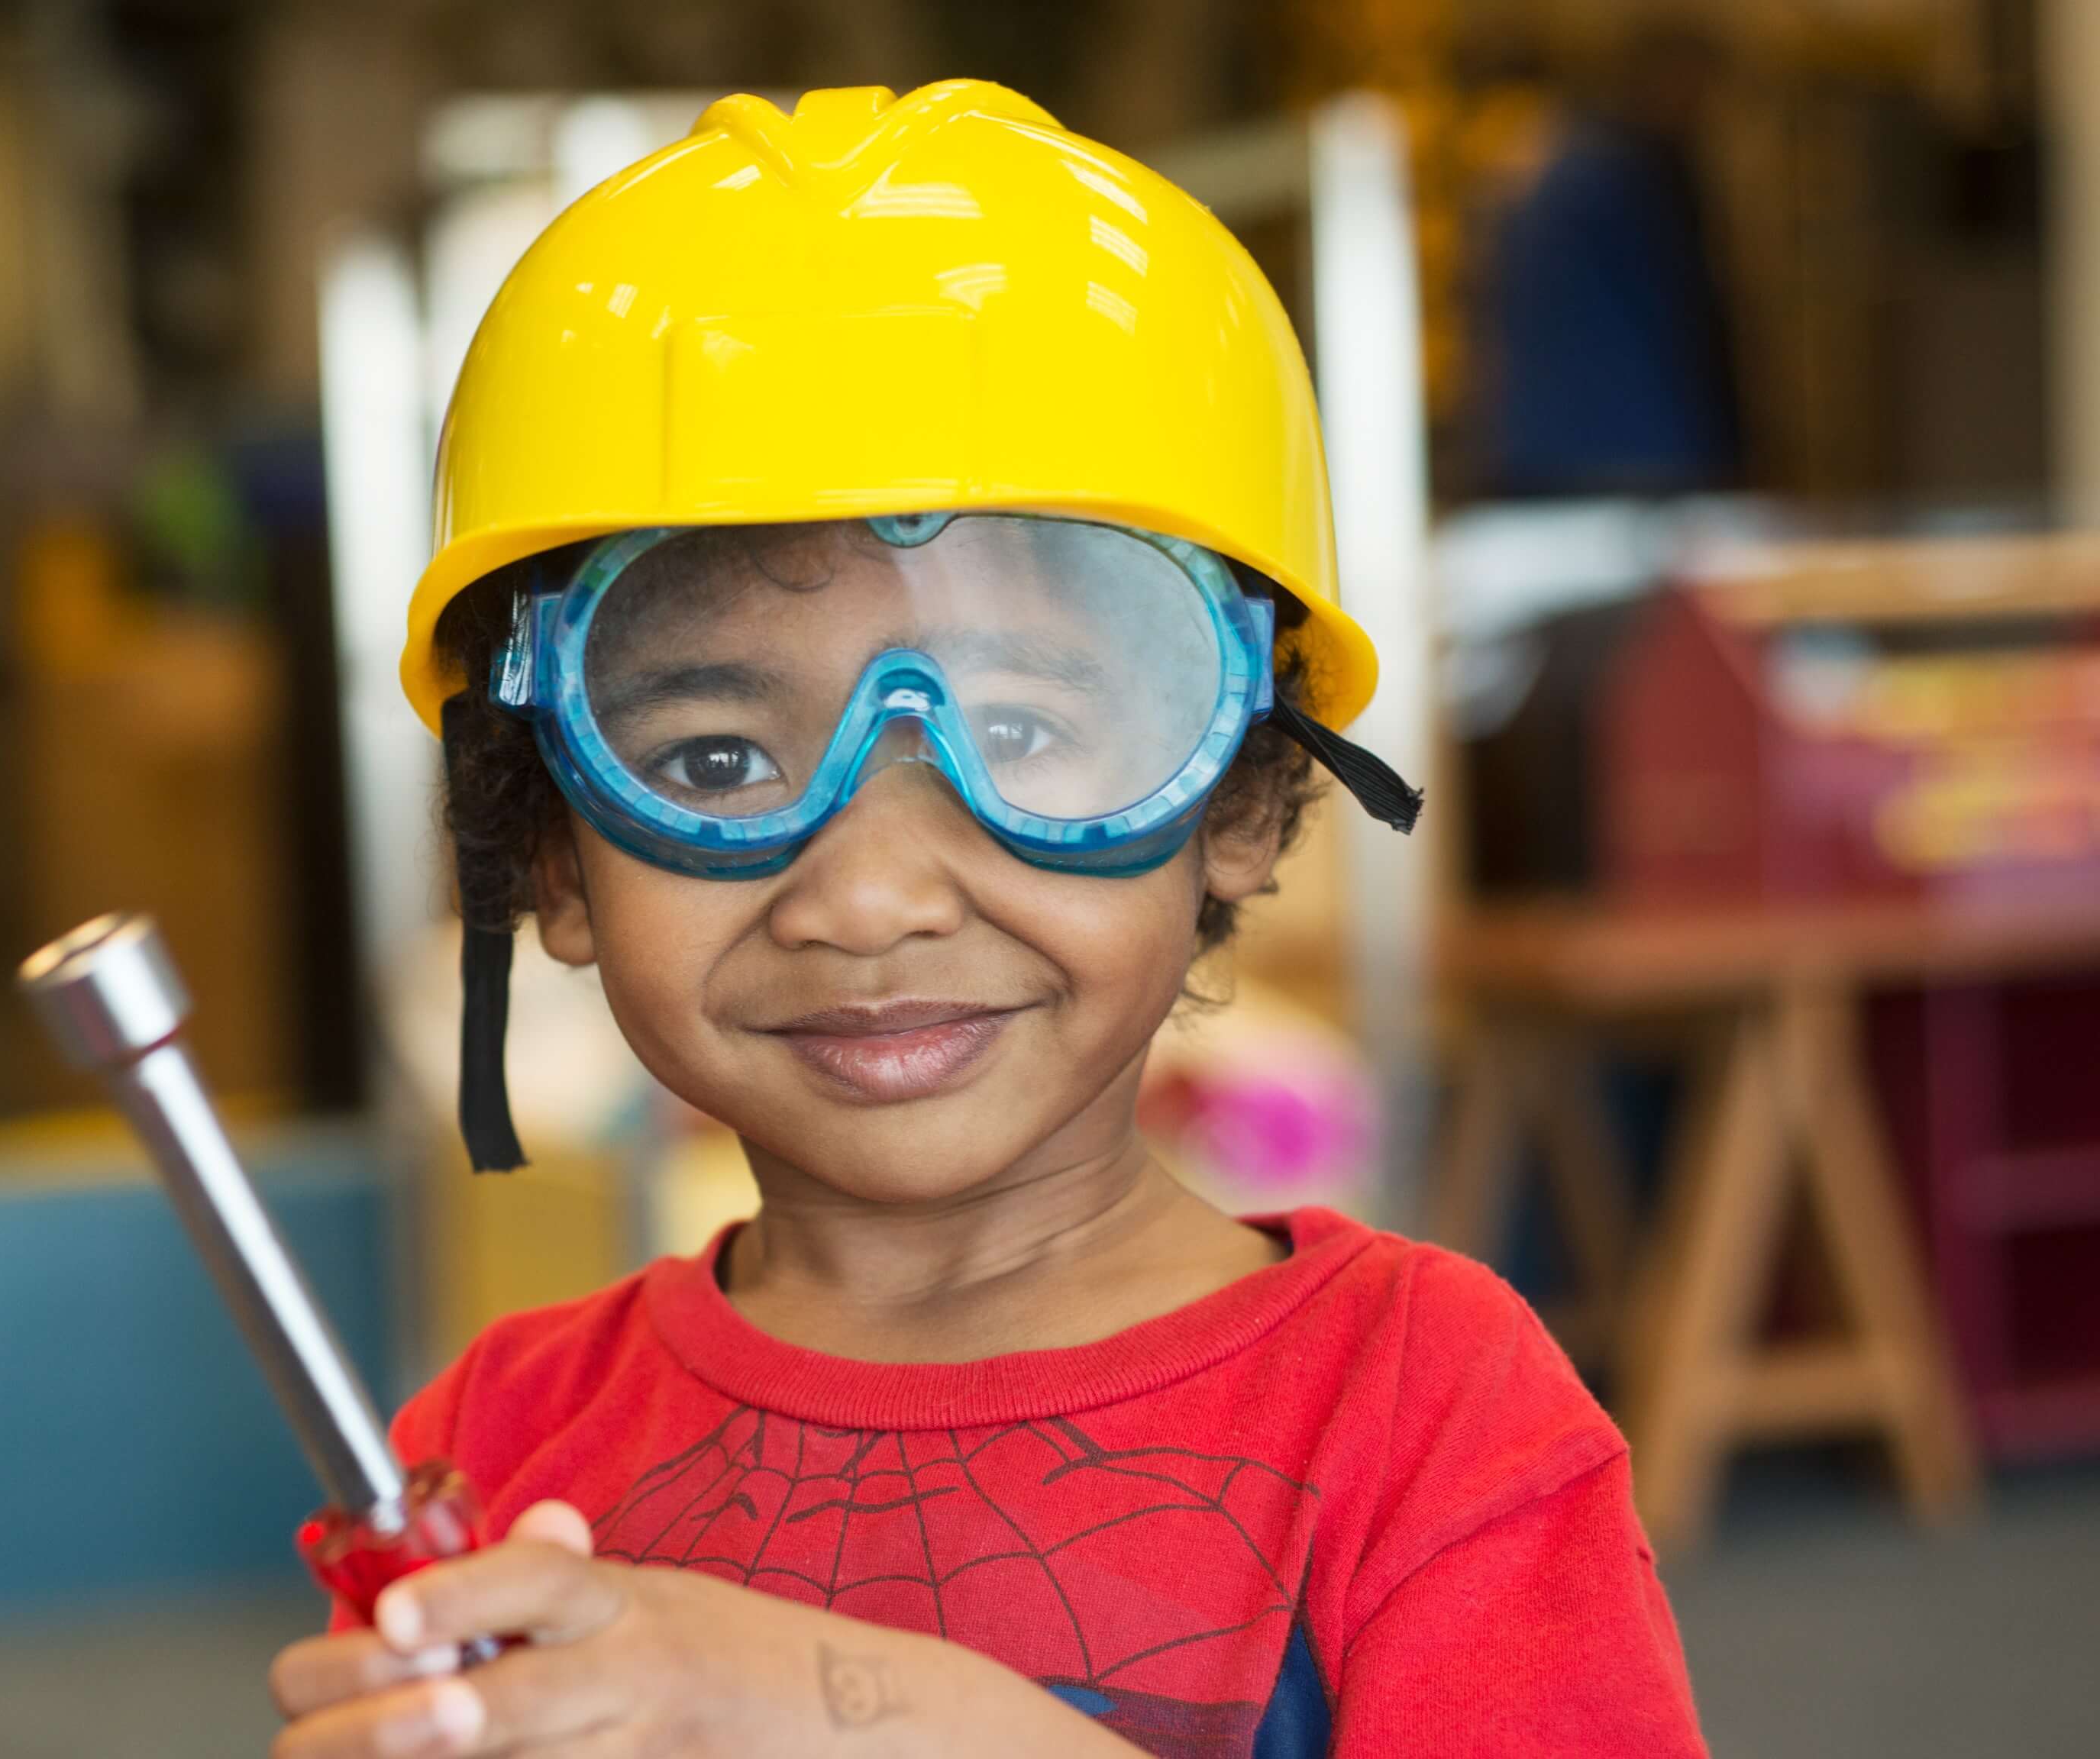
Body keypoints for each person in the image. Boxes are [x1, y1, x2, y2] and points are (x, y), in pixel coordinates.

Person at [271, 82, 1706, 1759]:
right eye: (718, 758)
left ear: (1233, 799)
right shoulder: (493, 1442)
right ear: (555, 857)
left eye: (1015, 734)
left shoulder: (1424, 1404)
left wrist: (834, 1709)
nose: (869, 895)